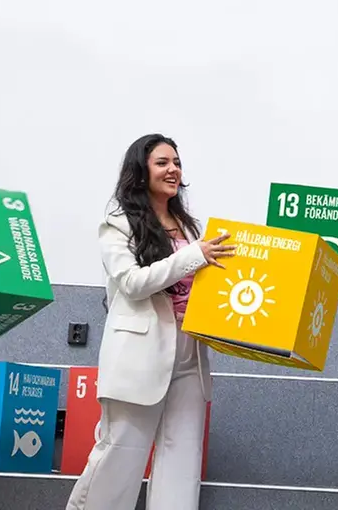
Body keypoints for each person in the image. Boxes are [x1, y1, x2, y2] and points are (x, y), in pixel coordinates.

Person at [66, 133, 235, 510]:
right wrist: (194, 255)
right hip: (138, 354)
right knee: (119, 458)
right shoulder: (117, 222)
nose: (173, 169)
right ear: (140, 172)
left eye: (176, 162)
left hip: (190, 354)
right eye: (162, 162)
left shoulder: (190, 226)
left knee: (182, 465)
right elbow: (132, 283)